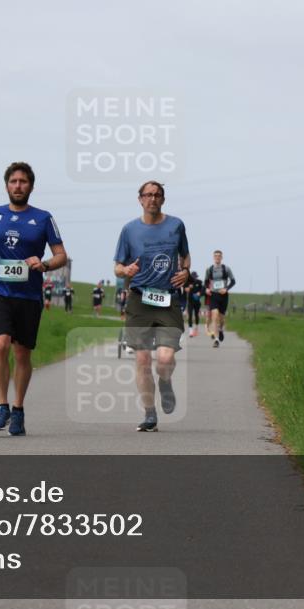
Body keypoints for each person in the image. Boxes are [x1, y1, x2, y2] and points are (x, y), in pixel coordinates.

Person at [0, 162, 67, 436]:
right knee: (1, 343)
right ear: (6, 185)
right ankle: (2, 405)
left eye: (23, 182)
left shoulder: (43, 218)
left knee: (22, 353)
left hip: (28, 294)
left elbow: (61, 255)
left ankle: (18, 409)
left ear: (31, 186)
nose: (18, 186)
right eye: (13, 181)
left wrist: (45, 264)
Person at [114, 180, 190, 432]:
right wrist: (125, 270)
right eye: (148, 195)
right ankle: (149, 414)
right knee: (143, 359)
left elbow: (185, 255)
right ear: (140, 199)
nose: (152, 199)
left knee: (165, 359)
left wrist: (186, 271)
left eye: (157, 195)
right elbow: (117, 266)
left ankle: (165, 382)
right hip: (139, 299)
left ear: (163, 199)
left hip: (168, 299)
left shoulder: (176, 225)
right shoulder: (129, 230)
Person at [205, 250, 236, 348]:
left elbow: (233, 281)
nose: (217, 258)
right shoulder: (209, 269)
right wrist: (207, 289)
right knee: (214, 316)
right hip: (214, 295)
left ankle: (221, 329)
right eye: (216, 256)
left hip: (223, 296)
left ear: (221, 257)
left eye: (219, 256)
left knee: (221, 319)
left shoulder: (226, 269)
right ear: (213, 258)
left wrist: (226, 289)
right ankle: (216, 340)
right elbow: (205, 282)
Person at [185, 271, 204, 337]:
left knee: (196, 315)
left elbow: (203, 290)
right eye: (193, 277)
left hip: (197, 302)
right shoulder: (187, 282)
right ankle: (190, 331)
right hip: (190, 301)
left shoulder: (199, 282)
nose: (194, 278)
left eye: (195, 277)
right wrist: (188, 288)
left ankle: (196, 327)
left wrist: (200, 293)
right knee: (190, 315)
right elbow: (185, 289)